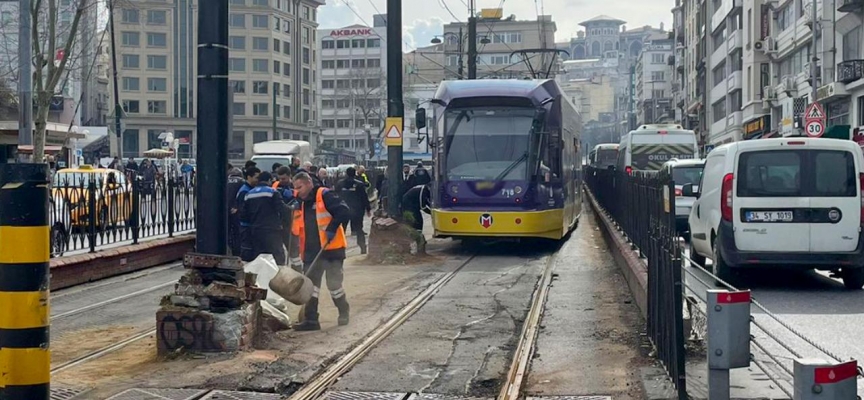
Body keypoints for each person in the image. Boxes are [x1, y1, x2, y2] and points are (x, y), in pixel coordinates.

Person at [291, 172, 352, 331]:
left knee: (334, 284)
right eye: (295, 188)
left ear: (309, 183)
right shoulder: (301, 202)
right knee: (311, 286)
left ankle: (343, 311)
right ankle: (311, 320)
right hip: (312, 251)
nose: (297, 191)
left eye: (300, 187)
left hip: (332, 249)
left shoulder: (324, 194)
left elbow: (344, 211)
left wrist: (332, 229)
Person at [241, 171, 292, 265]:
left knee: (259, 257)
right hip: (272, 230)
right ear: (269, 180)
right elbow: (281, 209)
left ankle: (260, 278)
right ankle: (278, 277)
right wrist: (292, 211)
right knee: (277, 256)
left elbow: (244, 215)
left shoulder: (248, 194)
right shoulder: (272, 192)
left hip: (255, 230)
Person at [336, 167, 371, 254]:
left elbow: (335, 196)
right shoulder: (359, 184)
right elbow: (364, 197)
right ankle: (362, 247)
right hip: (357, 210)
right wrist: (368, 209)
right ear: (355, 173)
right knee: (359, 229)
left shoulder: (340, 184)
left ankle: (340, 248)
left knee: (341, 229)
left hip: (343, 209)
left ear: (346, 173)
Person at [273, 166, 302, 269]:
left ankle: (297, 272)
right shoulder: (275, 186)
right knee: (278, 252)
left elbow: (301, 201)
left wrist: (296, 204)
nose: (281, 181)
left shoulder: (296, 186)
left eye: (284, 178)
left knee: (294, 252)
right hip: (277, 224)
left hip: (292, 224)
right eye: (279, 178)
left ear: (290, 176)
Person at [236, 167, 261, 261]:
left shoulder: (249, 189)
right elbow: (243, 211)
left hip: (249, 225)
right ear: (249, 177)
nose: (258, 180)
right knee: (247, 250)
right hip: (246, 226)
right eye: (256, 177)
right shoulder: (245, 191)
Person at [227, 164, 246, 256]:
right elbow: (242, 195)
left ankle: (228, 250)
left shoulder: (225, 180)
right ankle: (237, 252)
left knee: (227, 231)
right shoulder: (242, 182)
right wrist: (236, 206)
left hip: (225, 210)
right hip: (236, 210)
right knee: (237, 232)